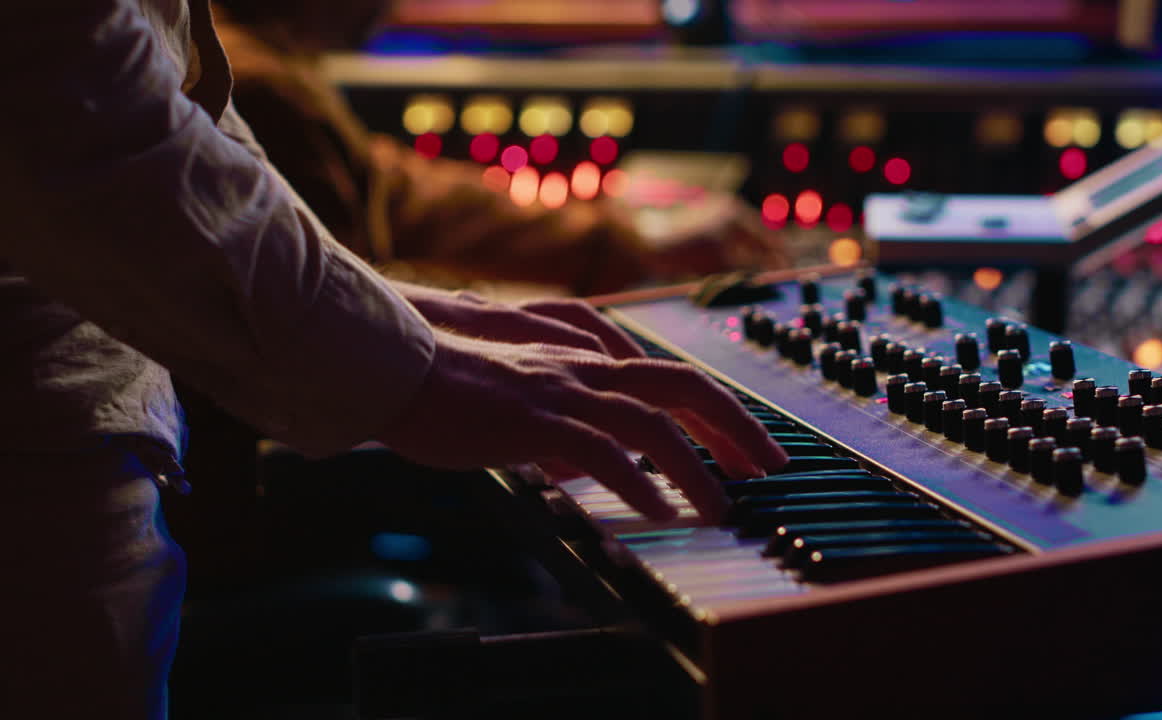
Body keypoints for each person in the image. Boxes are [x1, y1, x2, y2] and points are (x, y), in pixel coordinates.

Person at [0, 2, 788, 718]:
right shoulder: (273, 80)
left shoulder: (268, 71)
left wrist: (426, 314)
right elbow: (65, 100)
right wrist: (414, 366)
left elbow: (218, 135)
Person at [208, 0, 787, 295]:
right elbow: (342, 317)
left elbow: (403, 195)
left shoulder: (264, 64)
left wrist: (633, 235)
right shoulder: (258, 88)